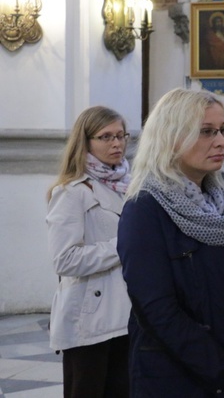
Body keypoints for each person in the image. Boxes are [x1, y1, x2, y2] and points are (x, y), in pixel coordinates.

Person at [117, 89, 224, 396]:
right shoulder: (144, 208)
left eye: (223, 130)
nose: (221, 141)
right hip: (186, 382)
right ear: (171, 137)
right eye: (207, 131)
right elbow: (158, 311)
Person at [46, 106, 132, 398]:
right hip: (90, 319)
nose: (116, 143)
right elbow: (64, 259)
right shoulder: (72, 192)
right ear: (86, 141)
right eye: (105, 137)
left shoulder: (130, 185)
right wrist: (123, 246)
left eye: (121, 135)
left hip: (129, 314)